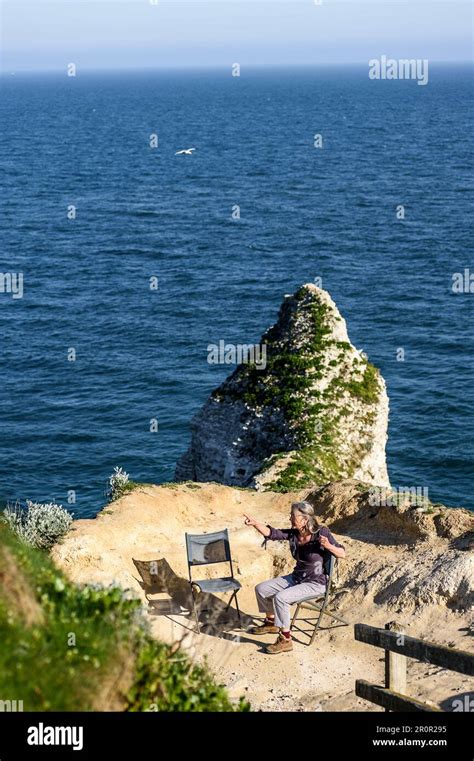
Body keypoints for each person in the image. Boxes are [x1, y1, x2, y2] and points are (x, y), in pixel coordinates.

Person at [243, 501, 345, 654]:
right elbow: (272, 533)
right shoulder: (294, 534)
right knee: (261, 589)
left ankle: (285, 640)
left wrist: (329, 546)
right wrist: (256, 523)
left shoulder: (321, 532)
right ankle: (271, 622)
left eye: (292, 515)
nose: (290, 518)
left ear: (304, 520)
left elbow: (342, 553)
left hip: (316, 583)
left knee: (281, 598)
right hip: (296, 578)